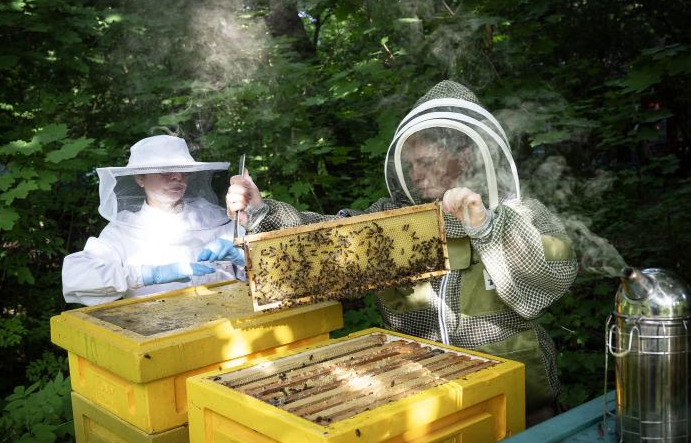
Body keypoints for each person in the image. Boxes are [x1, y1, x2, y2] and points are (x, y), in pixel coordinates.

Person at [226, 81, 578, 420]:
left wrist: (486, 227)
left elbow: (551, 276)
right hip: (422, 394)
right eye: (410, 164)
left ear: (466, 153)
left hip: (518, 398)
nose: (416, 175)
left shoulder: (520, 213)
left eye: (425, 162)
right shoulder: (394, 219)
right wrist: (262, 213)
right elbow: (327, 243)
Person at [63, 134, 245, 306]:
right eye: (165, 171)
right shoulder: (121, 232)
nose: (178, 177)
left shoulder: (214, 218)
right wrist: (147, 274)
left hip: (229, 326)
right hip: (158, 332)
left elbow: (265, 272)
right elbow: (78, 279)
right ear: (140, 178)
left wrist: (245, 257)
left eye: (184, 171)